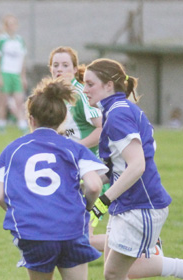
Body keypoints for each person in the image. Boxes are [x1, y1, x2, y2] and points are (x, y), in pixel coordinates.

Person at [0, 76, 139, 280]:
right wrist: (83, 210)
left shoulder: (14, 149)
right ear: (62, 118)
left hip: (34, 233)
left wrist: (24, 210)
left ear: (30, 118)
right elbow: (95, 185)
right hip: (71, 231)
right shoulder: (73, 148)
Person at [84, 58, 183, 280]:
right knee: (117, 266)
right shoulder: (118, 110)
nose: (85, 90)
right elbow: (116, 167)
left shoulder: (117, 114)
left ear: (108, 85)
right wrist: (86, 180)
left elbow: (137, 165)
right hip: (131, 203)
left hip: (140, 205)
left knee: (114, 273)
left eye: (90, 84)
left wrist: (103, 201)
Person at [48, 46, 105, 252]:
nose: (59, 69)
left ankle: (147, 248)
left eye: (65, 65)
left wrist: (75, 148)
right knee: (75, 235)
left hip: (94, 173)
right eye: (55, 65)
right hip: (71, 171)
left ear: (74, 68)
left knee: (83, 238)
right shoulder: (52, 96)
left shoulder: (80, 94)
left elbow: (102, 129)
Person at [0, 14, 28, 134]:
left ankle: (22, 124)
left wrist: (23, 76)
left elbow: (23, 60)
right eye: (9, 24)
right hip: (5, 72)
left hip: (16, 74)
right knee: (4, 100)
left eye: (13, 24)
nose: (11, 26)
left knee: (19, 100)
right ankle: (1, 124)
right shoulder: (1, 40)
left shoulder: (20, 41)